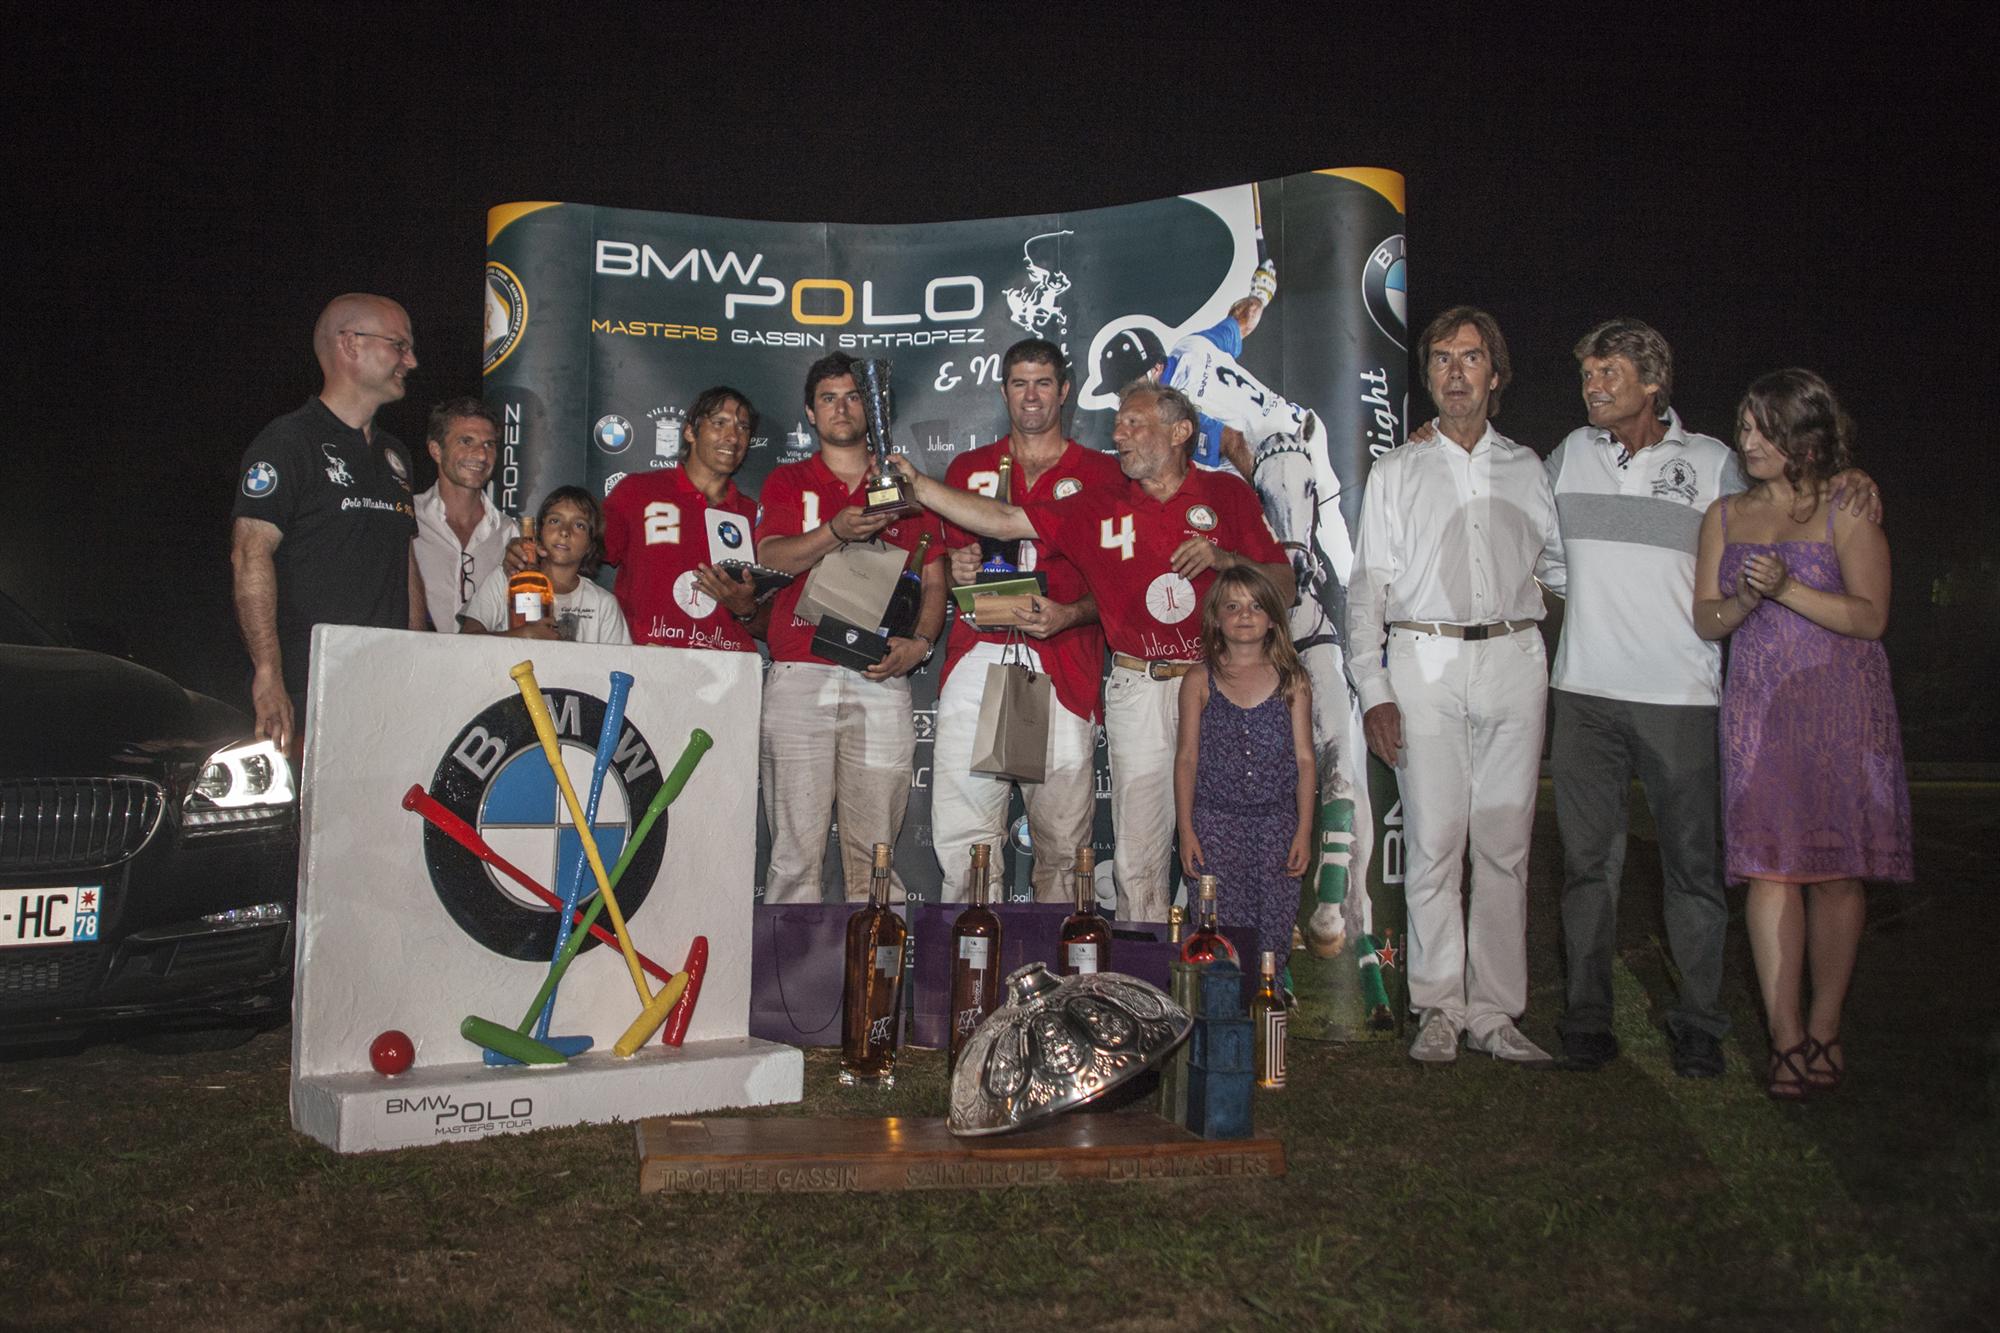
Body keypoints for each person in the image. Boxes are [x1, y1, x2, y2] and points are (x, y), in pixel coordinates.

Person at [1543, 319, 1883, 1078]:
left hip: (1682, 697)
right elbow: (1549, 563)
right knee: (1586, 868)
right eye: (1588, 375)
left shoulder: (1715, 463)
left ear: (1653, 382)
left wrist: (1853, 481)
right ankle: (1587, 1018)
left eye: (1608, 374)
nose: (1592, 386)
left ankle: (1698, 1023)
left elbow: (1792, 504)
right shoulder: (1566, 456)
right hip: (1583, 695)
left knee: (1694, 870)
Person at [890, 380, 1292, 923]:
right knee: (1137, 856)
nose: (1118, 434)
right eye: (1117, 424)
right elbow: (1008, 521)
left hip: (1219, 685)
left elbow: (1284, 588)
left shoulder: (1227, 495)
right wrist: (920, 485)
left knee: (1228, 836)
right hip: (1138, 681)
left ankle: (1229, 977)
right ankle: (1142, 994)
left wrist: (1226, 561)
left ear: (1180, 433)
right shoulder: (1099, 503)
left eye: (1133, 424)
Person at [1347, 307, 1564, 1066]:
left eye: (1471, 358)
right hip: (1423, 661)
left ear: (1495, 375)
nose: (1456, 372)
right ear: (1429, 376)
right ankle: (1438, 1005)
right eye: (1441, 359)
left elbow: (1562, 568)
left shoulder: (1529, 468)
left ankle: (1496, 1012)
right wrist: (1373, 686)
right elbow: (1366, 588)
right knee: (1436, 842)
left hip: (1512, 658)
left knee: (1505, 846)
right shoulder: (1397, 470)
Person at [1694, 368, 1910, 1100]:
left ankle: (1825, 1026)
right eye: (1745, 425)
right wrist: (1747, 598)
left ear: (1804, 437)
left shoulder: (1848, 506)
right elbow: (1706, 620)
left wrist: (1790, 589)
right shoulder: (1723, 515)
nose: (1746, 439)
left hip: (1840, 707)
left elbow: (1872, 617)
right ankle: (1785, 1038)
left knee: (1836, 871)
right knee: (1768, 868)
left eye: (1763, 427)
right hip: (1758, 707)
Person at [932, 339, 1121, 902]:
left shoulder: (1103, 474)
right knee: (968, 843)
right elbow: (951, 569)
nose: (1031, 395)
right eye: (1019, 383)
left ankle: (1057, 988)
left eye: (1043, 382)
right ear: (1003, 391)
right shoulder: (969, 469)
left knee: (1063, 848)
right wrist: (959, 566)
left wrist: (1069, 613)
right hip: (981, 655)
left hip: (1060, 663)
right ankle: (971, 983)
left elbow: (1117, 587)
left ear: (1064, 390)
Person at [755, 352, 945, 904]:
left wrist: (922, 644)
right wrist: (835, 530)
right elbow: (774, 557)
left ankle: (873, 989)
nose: (842, 408)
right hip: (800, 676)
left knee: (877, 861)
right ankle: (793, 991)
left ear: (873, 407)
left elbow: (934, 581)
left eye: (854, 396)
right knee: (793, 858)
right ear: (810, 415)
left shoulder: (903, 484)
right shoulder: (789, 481)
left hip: (880, 678)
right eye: (828, 398)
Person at [231, 293, 426, 755]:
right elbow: (249, 553)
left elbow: (403, 559)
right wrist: (268, 672)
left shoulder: (394, 453)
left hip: (386, 685)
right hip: (309, 686)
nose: (411, 361)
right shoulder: (288, 441)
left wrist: (421, 658)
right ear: (351, 344)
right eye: (399, 345)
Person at [1174, 565, 1314, 977]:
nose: (1245, 615)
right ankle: (1219, 1021)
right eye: (1232, 606)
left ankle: (1266, 1013)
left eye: (1255, 606)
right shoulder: (1200, 679)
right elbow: (1187, 758)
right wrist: (1187, 830)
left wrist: (1303, 830)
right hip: (1216, 826)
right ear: (1216, 618)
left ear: (1273, 618)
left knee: (1272, 931)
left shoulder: (1293, 680)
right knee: (1216, 931)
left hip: (1276, 827)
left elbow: (1306, 760)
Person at [601, 386, 763, 651]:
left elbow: (775, 623)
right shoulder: (637, 492)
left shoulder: (752, 514)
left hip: (729, 671)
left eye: (743, 428)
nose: (733, 437)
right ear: (690, 431)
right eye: (719, 423)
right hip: (650, 659)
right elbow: (581, 555)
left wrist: (746, 610)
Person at [460, 486, 631, 644]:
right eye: (555, 521)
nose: (565, 532)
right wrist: (522, 635)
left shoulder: (603, 605)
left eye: (579, 525)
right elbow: (463, 642)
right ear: (539, 532)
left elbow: (621, 667)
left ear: (590, 545)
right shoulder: (507, 579)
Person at [411, 397, 511, 634]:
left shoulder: (510, 533)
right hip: (417, 663)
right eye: (466, 441)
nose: (480, 455)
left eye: (489, 444)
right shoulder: (408, 518)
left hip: (488, 667)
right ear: (436, 450)